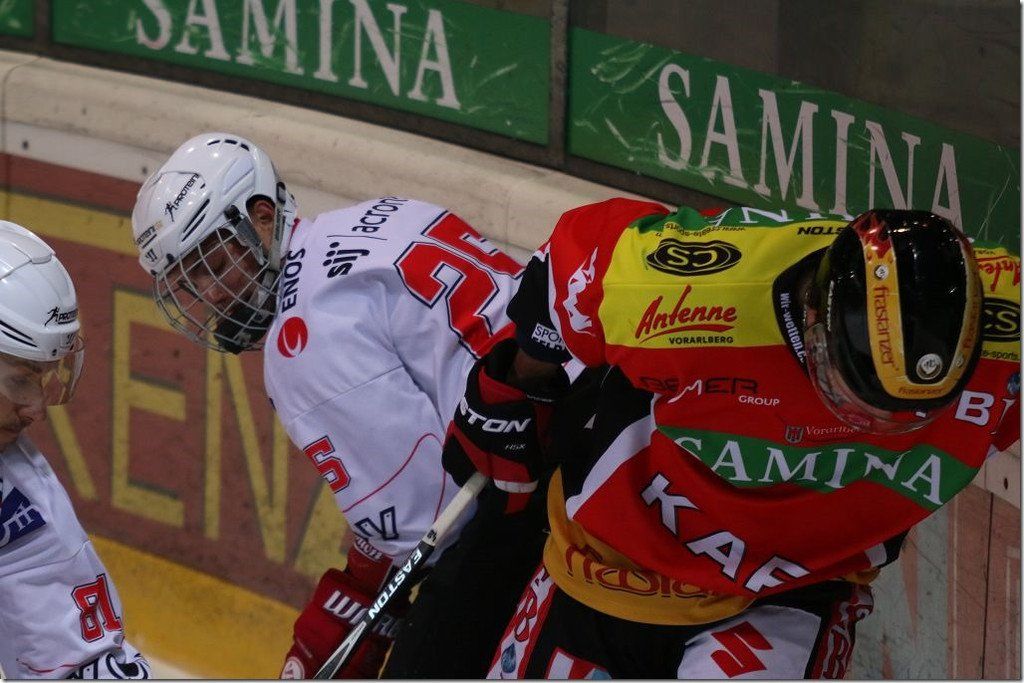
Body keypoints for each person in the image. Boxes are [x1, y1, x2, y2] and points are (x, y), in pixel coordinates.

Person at [440, 199, 1021, 678]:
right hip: (610, 565)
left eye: (907, 415)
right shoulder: (681, 297)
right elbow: (569, 264)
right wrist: (516, 388)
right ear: (814, 318)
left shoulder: (1011, 335)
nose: (865, 426)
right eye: (851, 394)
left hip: (793, 590)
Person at [129, 132, 558, 678]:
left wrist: (357, 599)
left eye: (212, 264)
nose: (210, 295)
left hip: (537, 490)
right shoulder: (379, 215)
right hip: (588, 424)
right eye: (189, 281)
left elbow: (430, 525)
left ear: (262, 217)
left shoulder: (300, 342)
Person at [0, 221, 151, 679]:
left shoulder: (17, 504)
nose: (35, 410)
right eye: (21, 380)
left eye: (43, 380)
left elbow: (80, 663)